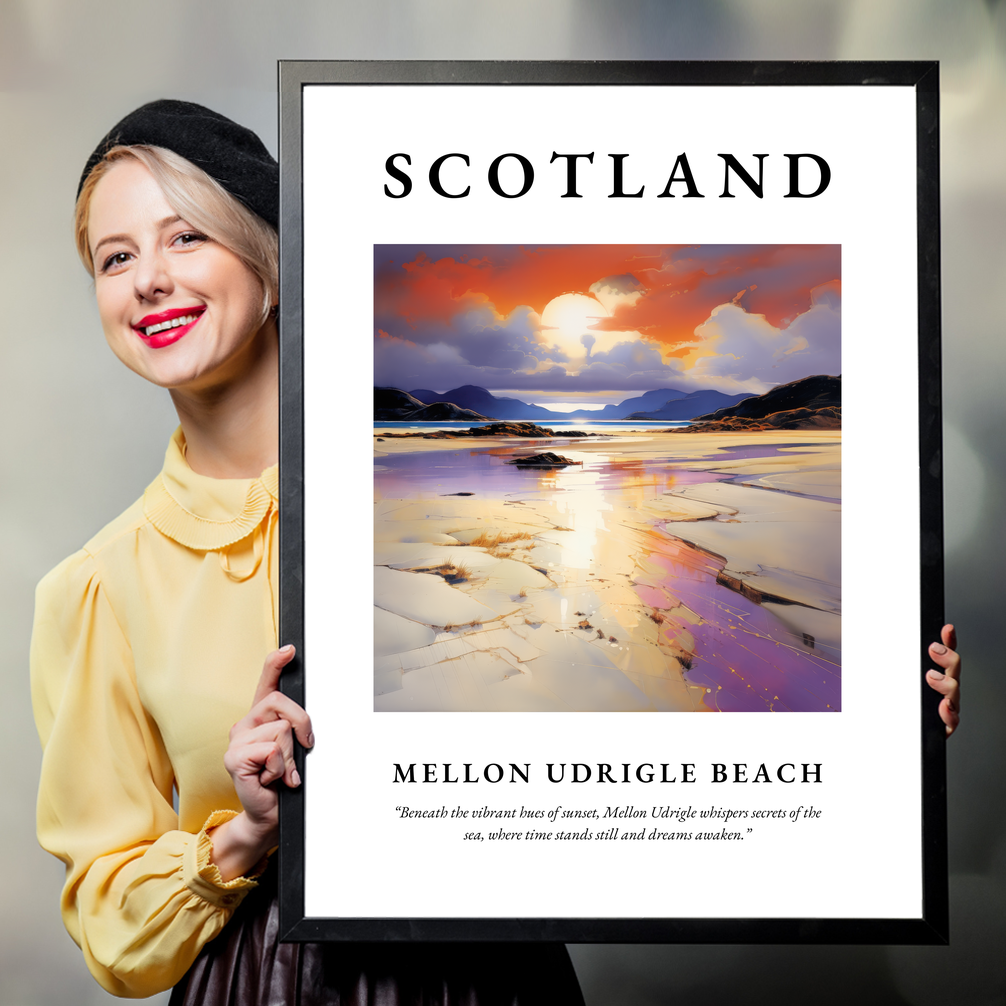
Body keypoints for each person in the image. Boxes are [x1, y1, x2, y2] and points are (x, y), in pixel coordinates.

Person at [30, 100, 585, 1004]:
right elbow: (110, 923)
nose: (148, 281)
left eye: (186, 239)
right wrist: (244, 832)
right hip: (264, 981)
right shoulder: (97, 587)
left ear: (273, 264)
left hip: (494, 972)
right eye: (116, 257)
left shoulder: (448, 503)